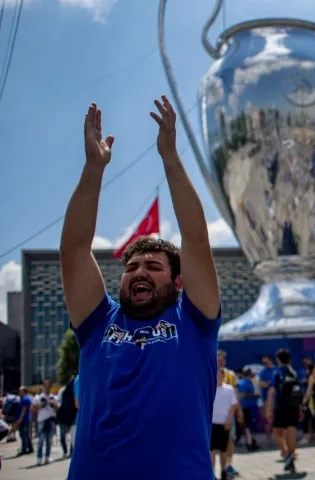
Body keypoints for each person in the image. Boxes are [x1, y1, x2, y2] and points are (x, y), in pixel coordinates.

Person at [62, 98, 222, 480]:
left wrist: (169, 156)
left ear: (178, 282)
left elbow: (196, 239)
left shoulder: (195, 321)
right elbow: (74, 250)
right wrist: (94, 170)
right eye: (132, 267)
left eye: (153, 267)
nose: (139, 273)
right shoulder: (97, 323)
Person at [265, 349, 303, 474]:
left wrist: (269, 410)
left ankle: (286, 453)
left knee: (277, 432)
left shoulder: (277, 373)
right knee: (291, 429)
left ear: (278, 359)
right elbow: (298, 392)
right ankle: (291, 456)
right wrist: (300, 408)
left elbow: (271, 393)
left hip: (281, 406)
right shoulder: (293, 372)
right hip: (293, 406)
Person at [211, 368, 238, 480]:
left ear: (223, 376)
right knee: (211, 450)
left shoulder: (229, 389)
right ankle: (212, 473)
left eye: (220, 375)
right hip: (212, 424)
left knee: (223, 450)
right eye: (217, 375)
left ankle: (223, 471)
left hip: (224, 423)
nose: (219, 377)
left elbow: (233, 406)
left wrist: (228, 420)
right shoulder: (210, 389)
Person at [56, 374, 78, 458]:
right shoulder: (63, 390)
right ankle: (67, 451)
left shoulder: (69, 389)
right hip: (65, 416)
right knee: (64, 435)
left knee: (68, 435)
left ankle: (69, 451)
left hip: (69, 416)